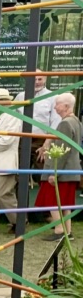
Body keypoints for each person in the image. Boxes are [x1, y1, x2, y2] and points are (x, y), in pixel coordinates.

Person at [37, 93, 82, 240]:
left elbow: (62, 149)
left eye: (57, 104)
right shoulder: (76, 121)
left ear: (66, 106)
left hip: (62, 170)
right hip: (71, 169)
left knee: (52, 200)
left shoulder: (65, 123)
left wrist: (54, 172)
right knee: (65, 203)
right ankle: (67, 231)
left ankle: (59, 230)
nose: (55, 107)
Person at [0, 88, 23, 234]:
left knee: (2, 193)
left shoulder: (12, 117)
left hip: (4, 162)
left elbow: (6, 140)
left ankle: (19, 221)